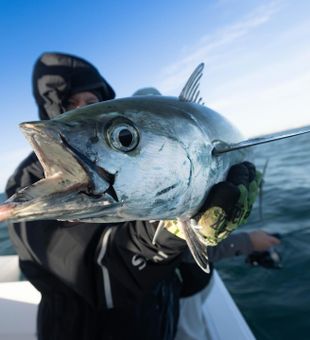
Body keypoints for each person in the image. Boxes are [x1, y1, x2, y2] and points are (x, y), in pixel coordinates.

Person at [6, 52, 272, 340]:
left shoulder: (147, 174)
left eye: (91, 102)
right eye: (69, 104)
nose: (80, 107)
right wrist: (169, 233)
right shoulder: (26, 180)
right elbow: (98, 276)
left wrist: (199, 224)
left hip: (160, 320)